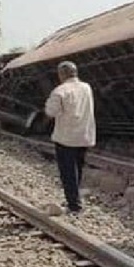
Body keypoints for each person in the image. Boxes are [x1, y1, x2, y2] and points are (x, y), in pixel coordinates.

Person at [43, 61, 96, 215]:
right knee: (77, 169)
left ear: (61, 74)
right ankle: (74, 198)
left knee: (68, 172)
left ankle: (74, 205)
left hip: (66, 138)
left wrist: (47, 103)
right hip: (84, 135)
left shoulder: (60, 91)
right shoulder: (87, 87)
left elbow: (51, 112)